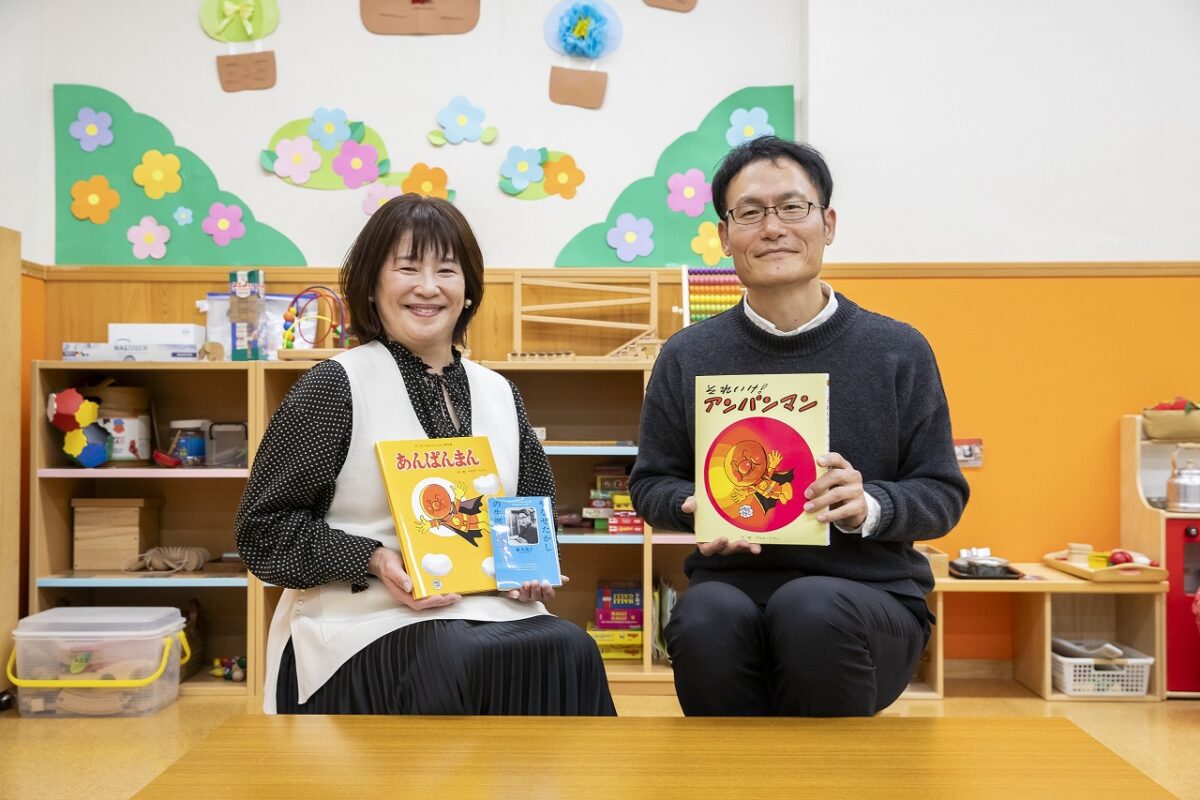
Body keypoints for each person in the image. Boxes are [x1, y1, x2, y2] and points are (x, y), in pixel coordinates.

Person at [236, 193, 615, 716]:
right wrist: (373, 559)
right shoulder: (334, 387)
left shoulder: (500, 392)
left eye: (447, 270)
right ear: (372, 286)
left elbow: (531, 510)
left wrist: (528, 566)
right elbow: (263, 531)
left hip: (488, 611)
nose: (428, 287)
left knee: (573, 647)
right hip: (360, 619)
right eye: (408, 268)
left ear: (468, 290)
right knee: (449, 654)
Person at [628, 136, 969, 717]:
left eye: (792, 207)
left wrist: (870, 505)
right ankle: (726, 766)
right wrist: (694, 504)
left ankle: (825, 767)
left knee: (808, 607)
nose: (773, 228)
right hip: (732, 587)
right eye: (750, 213)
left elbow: (942, 493)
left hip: (870, 598)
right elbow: (650, 482)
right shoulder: (688, 354)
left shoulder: (897, 349)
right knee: (704, 615)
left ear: (827, 224)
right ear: (724, 236)